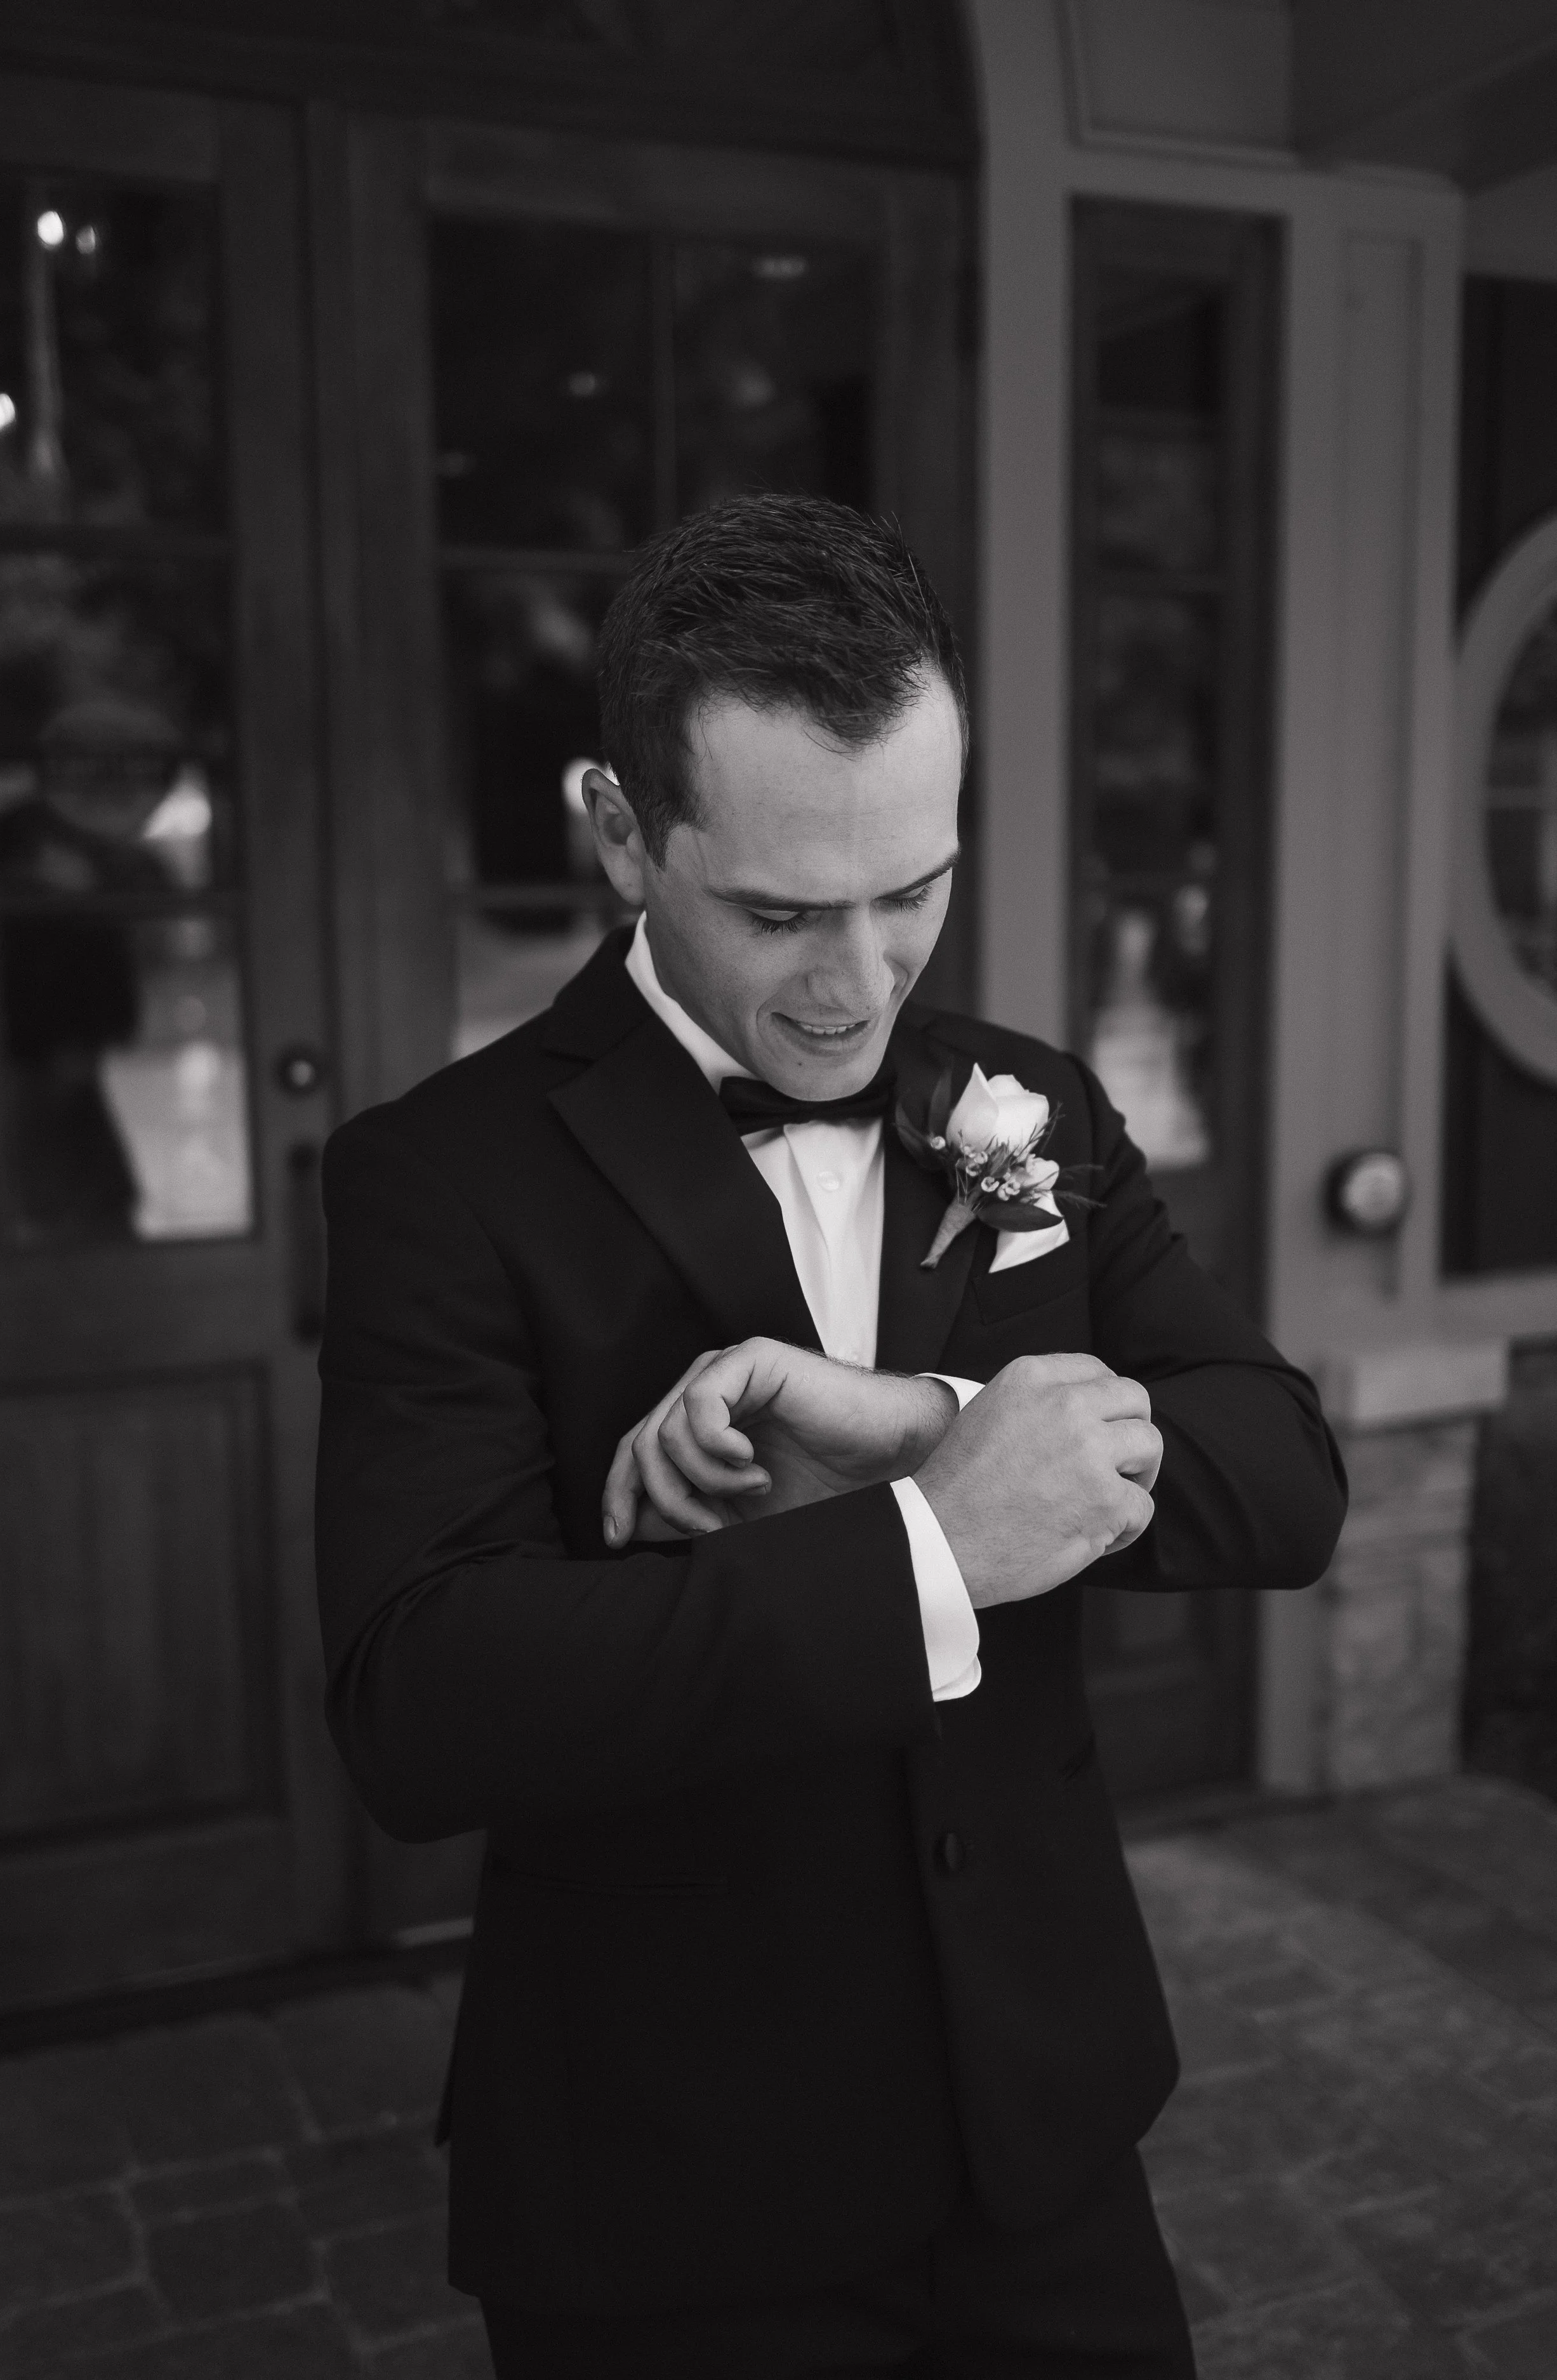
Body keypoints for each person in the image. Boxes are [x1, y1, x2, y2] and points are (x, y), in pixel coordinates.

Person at [315, 494, 1346, 2377]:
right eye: (781, 910)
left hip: (1045, 2135)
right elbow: (418, 1697)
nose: (858, 983)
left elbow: (1282, 1469)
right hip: (677, 2175)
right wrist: (929, 1546)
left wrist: (930, 1427)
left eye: (912, 891)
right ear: (623, 830)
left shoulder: (1027, 1104)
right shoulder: (437, 1179)